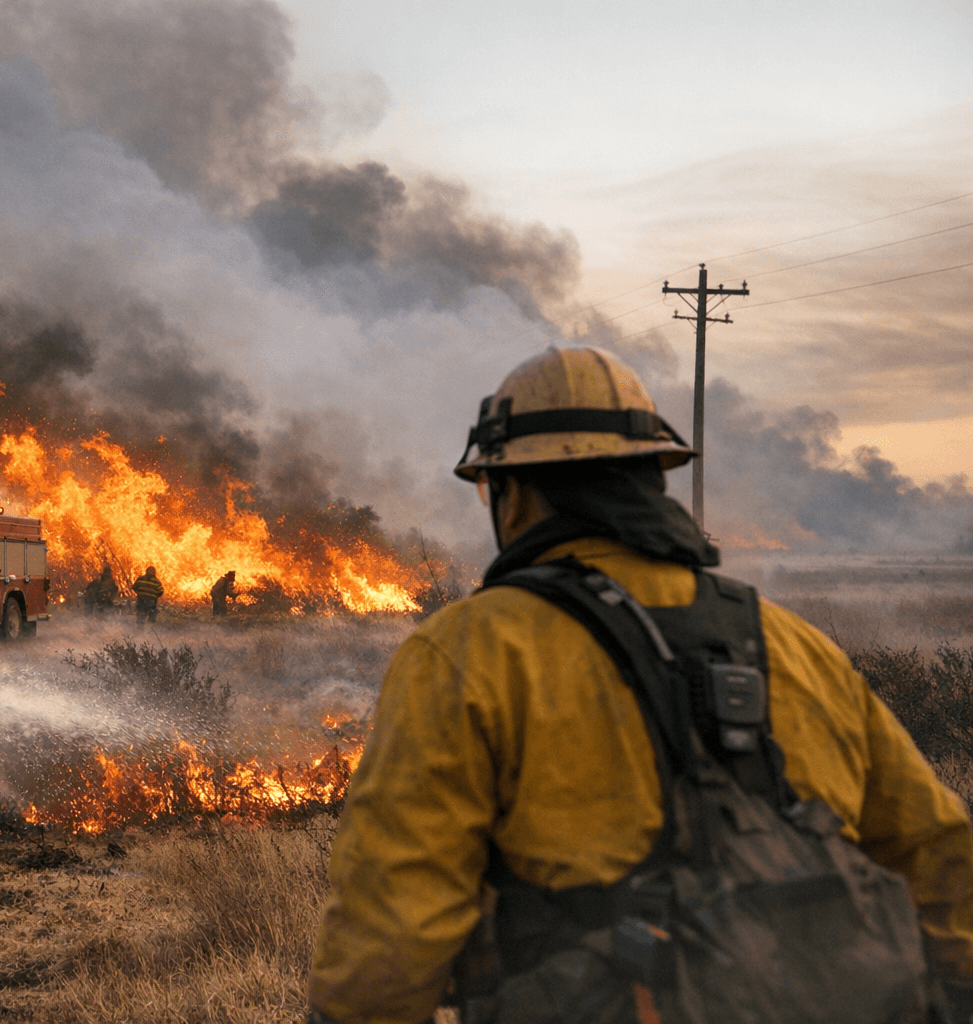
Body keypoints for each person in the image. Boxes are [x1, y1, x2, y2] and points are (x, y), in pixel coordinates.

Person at [308, 347, 973, 1024]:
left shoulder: (463, 654)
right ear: (652, 478)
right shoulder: (796, 647)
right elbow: (941, 854)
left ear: (515, 493)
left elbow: (390, 933)